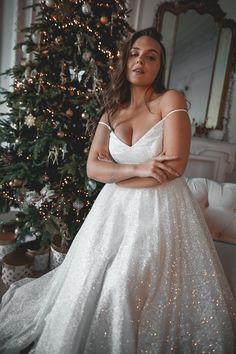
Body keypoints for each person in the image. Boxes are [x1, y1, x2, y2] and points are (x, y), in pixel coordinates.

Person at [0, 27, 235, 354]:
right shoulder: (112, 110)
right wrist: (139, 168)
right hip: (112, 212)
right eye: (135, 53)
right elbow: (92, 169)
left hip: (160, 211)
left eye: (151, 56)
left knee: (123, 285)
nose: (141, 60)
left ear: (159, 67)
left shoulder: (170, 100)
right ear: (125, 61)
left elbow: (174, 168)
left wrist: (114, 173)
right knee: (87, 281)